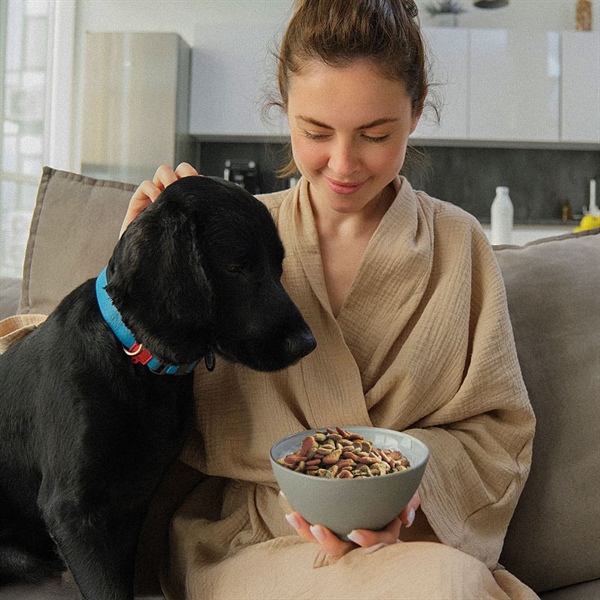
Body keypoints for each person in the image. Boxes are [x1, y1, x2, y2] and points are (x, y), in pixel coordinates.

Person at [124, 1, 537, 598]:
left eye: (374, 135)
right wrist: (140, 272)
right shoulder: (230, 241)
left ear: (416, 112)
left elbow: (497, 431)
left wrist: (395, 497)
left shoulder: (458, 244)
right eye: (315, 132)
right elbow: (135, 401)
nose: (342, 164)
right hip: (257, 538)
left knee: (450, 583)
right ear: (283, 109)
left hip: (408, 538)